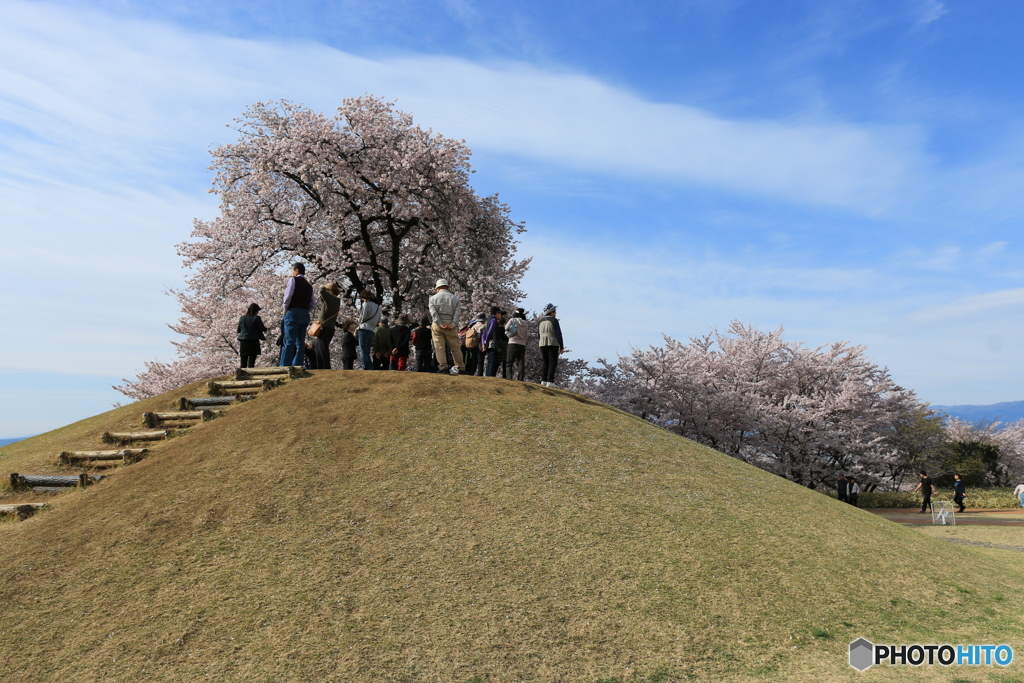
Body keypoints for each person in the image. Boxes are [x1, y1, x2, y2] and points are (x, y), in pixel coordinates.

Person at [279, 263, 316, 367]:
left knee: (289, 340)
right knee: (300, 342)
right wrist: (305, 310)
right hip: (304, 314)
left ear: (297, 271)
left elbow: (288, 297)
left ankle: (285, 365)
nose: (292, 273)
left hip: (293, 312)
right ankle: (298, 365)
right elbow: (313, 303)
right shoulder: (309, 285)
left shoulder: (293, 280)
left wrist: (286, 309)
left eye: (292, 270)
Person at [428, 279, 465, 374]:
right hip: (451, 324)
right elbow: (457, 313)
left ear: (437, 288)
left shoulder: (432, 299)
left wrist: (440, 323)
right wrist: (453, 324)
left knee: (439, 348)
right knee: (455, 348)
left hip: (438, 325)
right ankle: (460, 367)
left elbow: (433, 313)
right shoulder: (455, 298)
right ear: (447, 287)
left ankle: (443, 367)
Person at [313, 282, 342, 370]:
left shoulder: (333, 299)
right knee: (318, 349)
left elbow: (322, 292)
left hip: (325, 327)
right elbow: (323, 298)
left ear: (330, 290)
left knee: (322, 348)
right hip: (326, 327)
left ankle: (326, 368)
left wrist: (323, 287)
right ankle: (320, 368)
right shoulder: (334, 300)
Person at [537, 303, 564, 388]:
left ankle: (543, 380)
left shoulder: (541, 321)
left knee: (545, 362)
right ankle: (550, 381)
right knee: (553, 362)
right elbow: (558, 334)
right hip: (552, 343)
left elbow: (538, 334)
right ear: (552, 312)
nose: (555, 313)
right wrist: (561, 346)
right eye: (555, 311)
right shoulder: (554, 320)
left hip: (542, 343)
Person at [235, 303, 268, 369]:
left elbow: (238, 330)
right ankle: (250, 375)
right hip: (253, 341)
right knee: (251, 361)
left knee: (243, 361)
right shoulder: (256, 318)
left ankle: (242, 376)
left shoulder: (242, 318)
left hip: (243, 341)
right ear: (256, 311)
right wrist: (266, 329)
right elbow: (262, 328)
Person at [356, 289, 381, 371]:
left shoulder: (366, 304)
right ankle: (370, 367)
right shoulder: (377, 307)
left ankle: (366, 367)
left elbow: (363, 317)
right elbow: (378, 321)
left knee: (363, 351)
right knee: (367, 351)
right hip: (372, 330)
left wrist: (358, 320)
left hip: (364, 329)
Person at [481, 307, 507, 377]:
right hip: (493, 343)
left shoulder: (487, 320)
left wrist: (483, 343)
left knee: (489, 362)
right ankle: (490, 377)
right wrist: (486, 340)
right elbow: (490, 331)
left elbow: (483, 333)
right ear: (497, 313)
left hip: (487, 344)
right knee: (493, 362)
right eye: (500, 313)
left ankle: (487, 376)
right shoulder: (494, 320)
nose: (501, 315)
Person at [505, 307, 528, 381]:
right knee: (521, 362)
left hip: (513, 343)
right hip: (522, 345)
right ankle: (520, 378)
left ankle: (509, 378)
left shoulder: (512, 320)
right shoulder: (525, 323)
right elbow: (527, 334)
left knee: (509, 363)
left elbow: (506, 328)